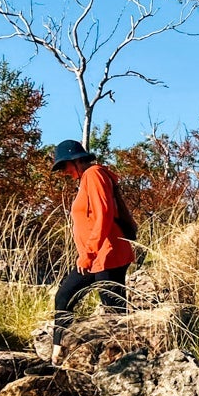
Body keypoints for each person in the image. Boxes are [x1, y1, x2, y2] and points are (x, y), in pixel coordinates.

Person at [49, 139, 135, 364]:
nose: (65, 172)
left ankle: (127, 362)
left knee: (114, 312)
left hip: (107, 254)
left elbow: (103, 214)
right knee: (64, 296)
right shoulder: (88, 178)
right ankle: (58, 351)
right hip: (97, 256)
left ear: (76, 160)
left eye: (65, 166)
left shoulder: (94, 174)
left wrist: (88, 253)